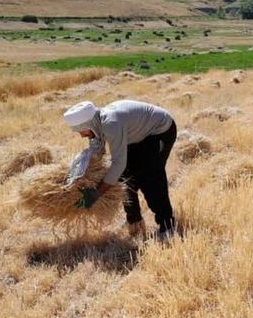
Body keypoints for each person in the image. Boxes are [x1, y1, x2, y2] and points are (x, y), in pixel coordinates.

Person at [63, 100, 177, 239]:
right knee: (125, 178)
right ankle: (134, 221)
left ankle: (168, 227)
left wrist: (96, 194)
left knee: (149, 177)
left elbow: (118, 164)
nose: (81, 135)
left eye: (81, 130)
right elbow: (96, 153)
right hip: (136, 136)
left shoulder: (111, 123)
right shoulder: (97, 125)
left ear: (88, 124)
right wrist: (79, 176)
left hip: (159, 130)